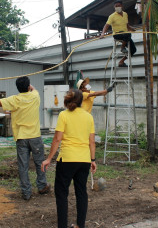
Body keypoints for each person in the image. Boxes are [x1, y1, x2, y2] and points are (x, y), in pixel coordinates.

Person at [0, 76, 50, 200]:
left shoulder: (14, 100)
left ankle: (26, 192)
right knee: (40, 162)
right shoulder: (35, 96)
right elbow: (33, 88)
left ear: (18, 88)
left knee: (23, 166)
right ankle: (42, 186)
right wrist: (29, 86)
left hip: (21, 138)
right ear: (29, 87)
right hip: (35, 137)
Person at [41, 89, 97, 228]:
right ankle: (80, 225)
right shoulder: (88, 116)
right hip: (84, 160)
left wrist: (48, 159)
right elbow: (92, 142)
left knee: (61, 194)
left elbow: (57, 139)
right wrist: (93, 159)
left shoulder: (64, 115)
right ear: (81, 101)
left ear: (67, 100)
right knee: (81, 192)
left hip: (67, 160)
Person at [100, 0, 137, 67]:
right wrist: (103, 33)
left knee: (133, 50)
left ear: (122, 6)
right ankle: (122, 47)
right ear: (114, 7)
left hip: (125, 35)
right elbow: (106, 25)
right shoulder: (112, 16)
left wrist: (131, 29)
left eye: (118, 6)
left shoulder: (125, 14)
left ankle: (121, 62)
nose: (117, 7)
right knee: (128, 34)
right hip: (117, 35)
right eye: (116, 6)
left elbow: (126, 24)